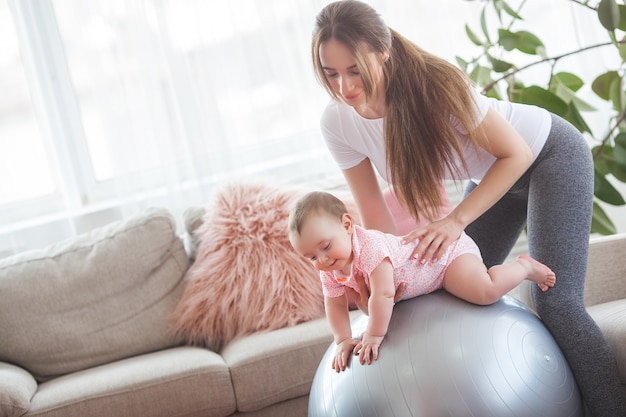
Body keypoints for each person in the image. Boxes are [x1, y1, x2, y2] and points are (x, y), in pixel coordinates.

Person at [310, 1, 625, 415]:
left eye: (354, 70)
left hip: (546, 156)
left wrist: (454, 220)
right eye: (331, 74)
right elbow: (375, 217)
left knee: (556, 303)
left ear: (382, 51)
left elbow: (514, 153)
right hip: (493, 179)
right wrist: (379, 282)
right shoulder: (338, 122)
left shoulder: (436, 86)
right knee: (452, 285)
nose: (345, 87)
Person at [288, 191, 555, 372]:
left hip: (444, 258)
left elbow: (382, 295)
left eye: (325, 246)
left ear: (346, 225)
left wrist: (374, 334)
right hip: (422, 281)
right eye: (311, 257)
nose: (321, 260)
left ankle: (523, 267)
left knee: (485, 291)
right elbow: (333, 304)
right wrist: (342, 339)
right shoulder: (329, 268)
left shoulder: (370, 248)